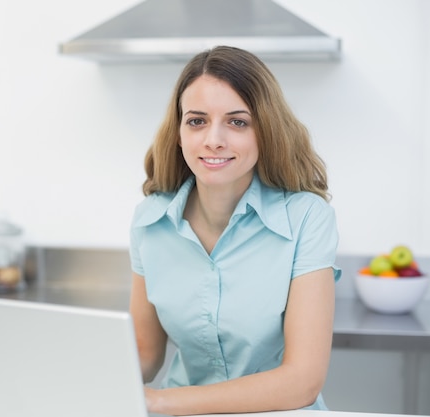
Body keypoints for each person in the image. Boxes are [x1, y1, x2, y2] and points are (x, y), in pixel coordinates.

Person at [128, 45, 341, 416]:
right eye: (196, 121)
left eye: (237, 122)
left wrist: (160, 401)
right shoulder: (150, 221)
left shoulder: (307, 217)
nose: (214, 140)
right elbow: (145, 354)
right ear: (179, 133)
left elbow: (303, 380)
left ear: (265, 131)